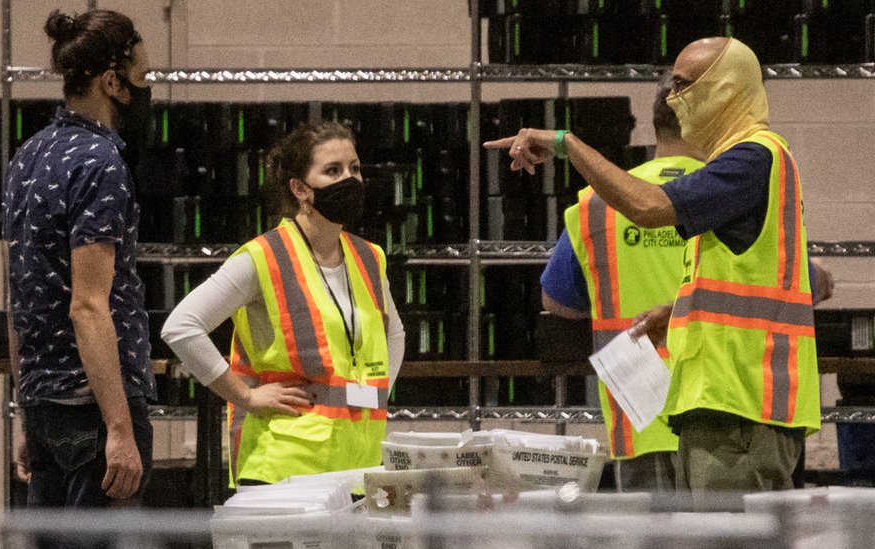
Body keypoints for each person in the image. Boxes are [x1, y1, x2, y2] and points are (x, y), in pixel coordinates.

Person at [486, 37, 831, 495]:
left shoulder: (754, 158)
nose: (674, 97)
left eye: (686, 84)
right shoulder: (742, 169)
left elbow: (647, 208)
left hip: (740, 410)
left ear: (726, 89)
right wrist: (677, 313)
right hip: (719, 410)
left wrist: (565, 143)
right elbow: (751, 284)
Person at [161, 121, 406, 486]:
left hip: (359, 467)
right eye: (332, 171)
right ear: (300, 188)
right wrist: (246, 396)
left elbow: (395, 333)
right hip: (283, 469)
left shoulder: (369, 257)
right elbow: (180, 327)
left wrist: (376, 394)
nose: (349, 180)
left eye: (354, 169)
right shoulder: (264, 257)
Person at [2, 7, 156, 534]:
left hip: (45, 401)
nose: (145, 90)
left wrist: (30, 408)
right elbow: (89, 304)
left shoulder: (27, 156)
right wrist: (119, 427)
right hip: (94, 406)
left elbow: (18, 299)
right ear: (111, 82)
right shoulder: (101, 163)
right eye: (141, 78)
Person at [540, 76, 705, 492]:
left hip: (639, 414)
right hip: (718, 418)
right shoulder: (731, 192)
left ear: (655, 124)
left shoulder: (598, 203)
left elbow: (556, 300)